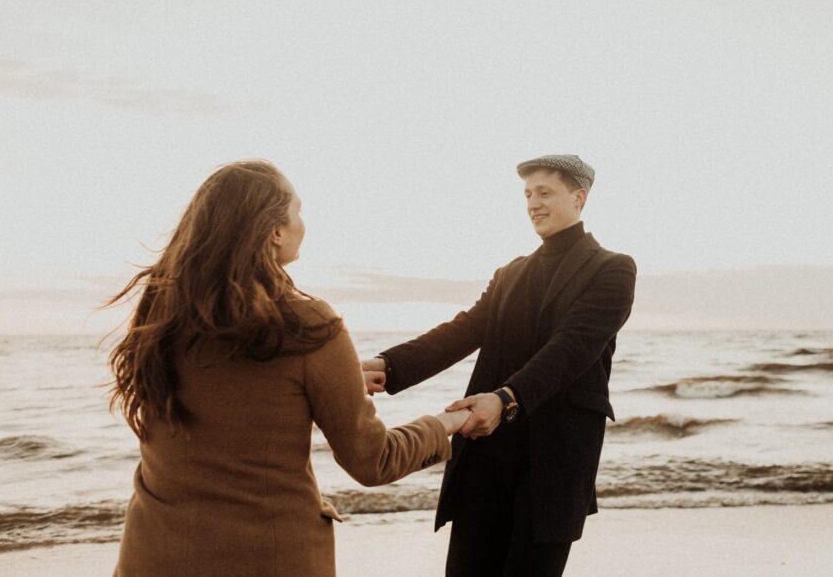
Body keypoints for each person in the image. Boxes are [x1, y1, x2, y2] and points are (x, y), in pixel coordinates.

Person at [107, 160, 469, 577]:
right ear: (275, 231)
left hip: (151, 555)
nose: (303, 223)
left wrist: (336, 377)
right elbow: (373, 461)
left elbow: (240, 386)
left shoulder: (162, 312)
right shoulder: (306, 325)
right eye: (298, 211)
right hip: (266, 559)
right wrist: (447, 422)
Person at [363, 154, 637, 577]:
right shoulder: (510, 273)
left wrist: (506, 400)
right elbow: (461, 332)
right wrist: (387, 365)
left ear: (579, 197)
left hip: (552, 463)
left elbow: (570, 349)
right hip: (484, 456)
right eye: (528, 194)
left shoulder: (612, 269)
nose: (533, 203)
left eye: (544, 192)